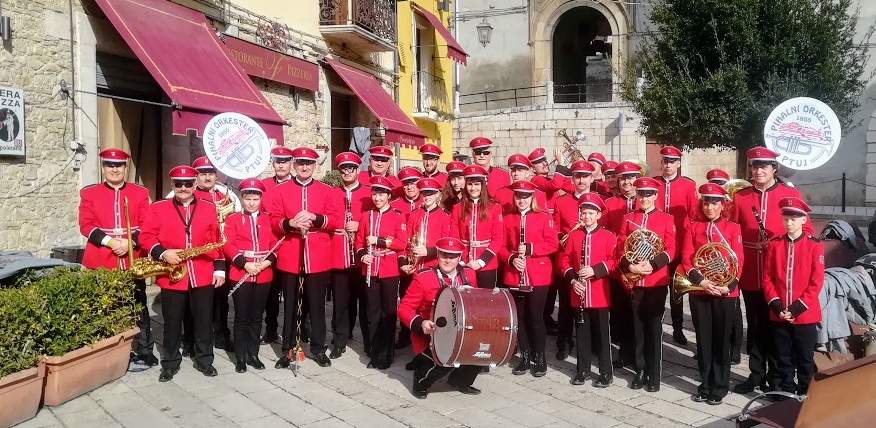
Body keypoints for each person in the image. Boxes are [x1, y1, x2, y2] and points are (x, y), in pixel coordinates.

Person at [730, 147, 813, 394]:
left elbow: (806, 233)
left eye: (764, 166)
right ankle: (756, 375)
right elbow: (733, 232)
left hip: (779, 278)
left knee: (778, 331)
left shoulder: (789, 194)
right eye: (754, 166)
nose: (758, 171)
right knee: (755, 328)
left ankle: (777, 379)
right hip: (750, 274)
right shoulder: (741, 196)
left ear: (774, 169)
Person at [139, 165, 225, 382]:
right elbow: (146, 237)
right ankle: (169, 363)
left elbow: (217, 240)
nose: (184, 188)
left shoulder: (208, 207)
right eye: (179, 184)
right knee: (172, 322)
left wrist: (220, 268)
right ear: (172, 185)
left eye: (188, 183)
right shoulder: (158, 208)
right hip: (172, 274)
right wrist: (163, 252)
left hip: (202, 272)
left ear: (195, 184)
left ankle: (205, 360)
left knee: (204, 322)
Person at [78, 148, 156, 365]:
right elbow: (86, 225)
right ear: (103, 167)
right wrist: (112, 242)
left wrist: (129, 242)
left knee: (138, 304)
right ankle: (105, 351)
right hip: (103, 256)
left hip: (132, 256)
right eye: (110, 165)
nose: (114, 169)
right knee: (104, 305)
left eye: (119, 165)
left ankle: (145, 348)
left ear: (125, 168)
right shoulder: (89, 193)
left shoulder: (140, 192)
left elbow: (147, 224)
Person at [269, 147, 339, 369]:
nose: (304, 167)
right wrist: (291, 223)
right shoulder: (282, 190)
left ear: (314, 166)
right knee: (290, 306)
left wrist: (314, 217)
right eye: (300, 163)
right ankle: (288, 349)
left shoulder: (326, 191)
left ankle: (318, 348)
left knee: (317, 306)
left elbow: (334, 220)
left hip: (317, 256)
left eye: (308, 163)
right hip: (291, 255)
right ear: (294, 165)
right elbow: (274, 221)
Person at [682, 183, 744, 405]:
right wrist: (702, 281)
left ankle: (720, 385)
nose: (710, 207)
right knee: (703, 340)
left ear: (722, 205)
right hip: (701, 290)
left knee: (721, 339)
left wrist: (730, 284)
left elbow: (739, 260)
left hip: (726, 291)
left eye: (714, 203)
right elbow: (687, 258)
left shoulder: (733, 228)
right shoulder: (692, 226)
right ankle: (705, 383)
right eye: (706, 202)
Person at [398, 237, 481, 399]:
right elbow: (404, 308)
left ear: (459, 258)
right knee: (444, 360)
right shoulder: (423, 277)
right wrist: (421, 323)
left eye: (452, 256)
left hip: (460, 330)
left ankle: (460, 381)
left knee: (480, 352)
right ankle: (420, 381)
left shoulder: (470, 275)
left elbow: (474, 302)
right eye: (444, 255)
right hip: (431, 333)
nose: (448, 260)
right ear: (437, 255)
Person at [617, 176, 676, 392]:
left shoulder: (666, 219)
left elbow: (671, 249)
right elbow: (620, 248)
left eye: (648, 194)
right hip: (635, 281)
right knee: (638, 328)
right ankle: (640, 369)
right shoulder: (628, 218)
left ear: (656, 196)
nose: (644, 198)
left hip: (656, 280)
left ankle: (654, 373)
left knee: (653, 328)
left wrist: (652, 264)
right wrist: (630, 266)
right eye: (641, 194)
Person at [763, 197, 824, 397]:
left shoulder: (814, 245)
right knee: (783, 356)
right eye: (786, 218)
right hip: (779, 313)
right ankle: (787, 392)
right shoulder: (774, 245)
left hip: (804, 314)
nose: (789, 223)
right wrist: (779, 307)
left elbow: (816, 282)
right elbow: (768, 278)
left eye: (794, 219)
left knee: (805, 358)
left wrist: (795, 309)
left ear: (804, 220)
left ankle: (806, 392)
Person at [501, 180, 559, 378]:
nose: (522, 200)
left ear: (532, 197)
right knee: (520, 318)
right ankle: (525, 356)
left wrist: (531, 249)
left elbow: (553, 244)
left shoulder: (543, 217)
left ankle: (539, 357)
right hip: (514, 273)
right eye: (518, 196)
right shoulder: (507, 218)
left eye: (526, 196)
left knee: (535, 318)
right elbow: (500, 247)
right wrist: (512, 259)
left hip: (538, 275)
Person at [560, 193, 616, 387]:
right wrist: (573, 280)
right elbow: (565, 261)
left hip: (599, 293)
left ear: (599, 215)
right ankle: (582, 370)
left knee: (602, 336)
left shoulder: (608, 236)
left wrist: (595, 270)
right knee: (582, 335)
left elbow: (614, 261)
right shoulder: (575, 236)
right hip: (579, 293)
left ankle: (606, 372)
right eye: (583, 213)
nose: (587, 217)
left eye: (591, 213)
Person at [223, 179, 278, 373]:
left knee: (256, 317)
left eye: (255, 198)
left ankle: (253, 354)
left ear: (261, 198)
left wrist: (264, 264)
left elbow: (275, 244)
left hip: (263, 273)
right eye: (248, 198)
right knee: (241, 317)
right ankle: (240, 356)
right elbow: (228, 245)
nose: (252, 203)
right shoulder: (232, 219)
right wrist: (245, 264)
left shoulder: (268, 219)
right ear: (242, 198)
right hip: (240, 271)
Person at [355, 176, 408, 369]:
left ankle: (387, 353)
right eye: (375, 194)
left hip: (389, 270)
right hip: (370, 269)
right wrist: (362, 256)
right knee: (372, 313)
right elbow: (359, 242)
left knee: (388, 313)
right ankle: (374, 351)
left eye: (381, 194)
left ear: (388, 195)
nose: (377, 198)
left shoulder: (397, 215)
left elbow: (402, 243)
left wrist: (378, 240)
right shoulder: (366, 215)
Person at [397, 177, 451, 353]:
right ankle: (417, 352)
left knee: (430, 310)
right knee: (415, 310)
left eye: (431, 193)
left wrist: (427, 251)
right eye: (425, 193)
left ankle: (433, 350)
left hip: (433, 269)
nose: (427, 197)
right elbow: (406, 242)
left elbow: (446, 245)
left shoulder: (444, 216)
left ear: (438, 194)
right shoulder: (414, 214)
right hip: (416, 269)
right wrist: (405, 261)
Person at [329, 152, 374, 359]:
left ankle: (369, 343)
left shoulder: (368, 194)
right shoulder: (331, 193)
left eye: (351, 169)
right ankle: (340, 340)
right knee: (341, 303)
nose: (347, 172)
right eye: (343, 169)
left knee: (366, 303)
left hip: (363, 258)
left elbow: (377, 218)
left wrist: (360, 224)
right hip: (338, 255)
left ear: (358, 170)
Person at [191, 156, 238, 352]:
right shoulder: (189, 195)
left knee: (221, 298)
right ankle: (193, 337)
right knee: (195, 299)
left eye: (210, 173)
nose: (207, 177)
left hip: (222, 253)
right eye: (203, 174)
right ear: (197, 176)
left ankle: (221, 333)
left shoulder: (226, 196)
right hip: (200, 255)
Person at [551, 159, 597, 361]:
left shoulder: (598, 200)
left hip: (591, 262)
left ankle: (592, 343)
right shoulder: (561, 201)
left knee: (592, 305)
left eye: (585, 176)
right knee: (566, 306)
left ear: (591, 178)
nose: (581, 180)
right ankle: (565, 342)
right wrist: (561, 235)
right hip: (567, 260)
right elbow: (554, 226)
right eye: (577, 176)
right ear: (573, 178)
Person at [652, 146, 698, 346]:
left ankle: (678, 328)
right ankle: (656, 326)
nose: (668, 165)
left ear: (678, 164)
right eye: (665, 161)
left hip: (679, 247)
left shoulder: (688, 185)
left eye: (672, 161)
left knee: (677, 291)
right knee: (656, 289)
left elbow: (693, 215)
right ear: (661, 163)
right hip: (656, 247)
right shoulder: (654, 184)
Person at [602, 160, 641, 368]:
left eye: (631, 177)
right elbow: (606, 237)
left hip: (642, 267)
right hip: (619, 267)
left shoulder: (646, 201)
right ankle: (624, 353)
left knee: (639, 315)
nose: (627, 181)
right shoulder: (610, 205)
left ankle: (640, 356)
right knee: (620, 314)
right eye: (623, 178)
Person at [705, 167, 741, 364]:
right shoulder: (702, 219)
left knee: (734, 311)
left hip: (728, 271)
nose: (715, 188)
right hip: (710, 274)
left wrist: (731, 279)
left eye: (719, 185)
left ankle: (734, 347)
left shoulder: (732, 208)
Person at [449, 165, 505, 289]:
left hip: (487, 263)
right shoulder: (457, 208)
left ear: (482, 186)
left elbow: (498, 239)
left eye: (477, 184)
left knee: (486, 303)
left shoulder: (494, 208)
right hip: (463, 262)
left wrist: (480, 262)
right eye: (470, 184)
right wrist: (463, 261)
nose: (473, 188)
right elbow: (454, 237)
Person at [260, 146, 294, 345]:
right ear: (273, 163)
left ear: (291, 163)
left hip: (291, 245)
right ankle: (271, 328)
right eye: (277, 161)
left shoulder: (299, 185)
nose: (281, 164)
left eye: (285, 161)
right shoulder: (264, 185)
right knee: (271, 292)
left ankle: (299, 327)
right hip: (270, 247)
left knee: (295, 291)